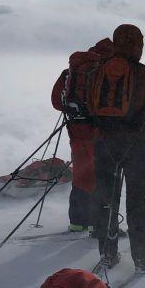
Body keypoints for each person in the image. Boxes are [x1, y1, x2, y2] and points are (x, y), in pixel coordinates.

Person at [93, 24, 145, 272]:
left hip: (104, 143)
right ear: (138, 45)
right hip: (136, 146)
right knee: (137, 203)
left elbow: (89, 105)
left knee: (106, 200)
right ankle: (142, 259)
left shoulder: (98, 71)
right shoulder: (144, 75)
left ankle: (108, 253)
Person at [50, 38, 113, 233]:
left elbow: (56, 101)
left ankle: (78, 222)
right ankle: (99, 224)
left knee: (81, 171)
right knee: (101, 173)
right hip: (99, 129)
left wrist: (73, 110)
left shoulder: (71, 71)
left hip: (76, 128)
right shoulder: (106, 71)